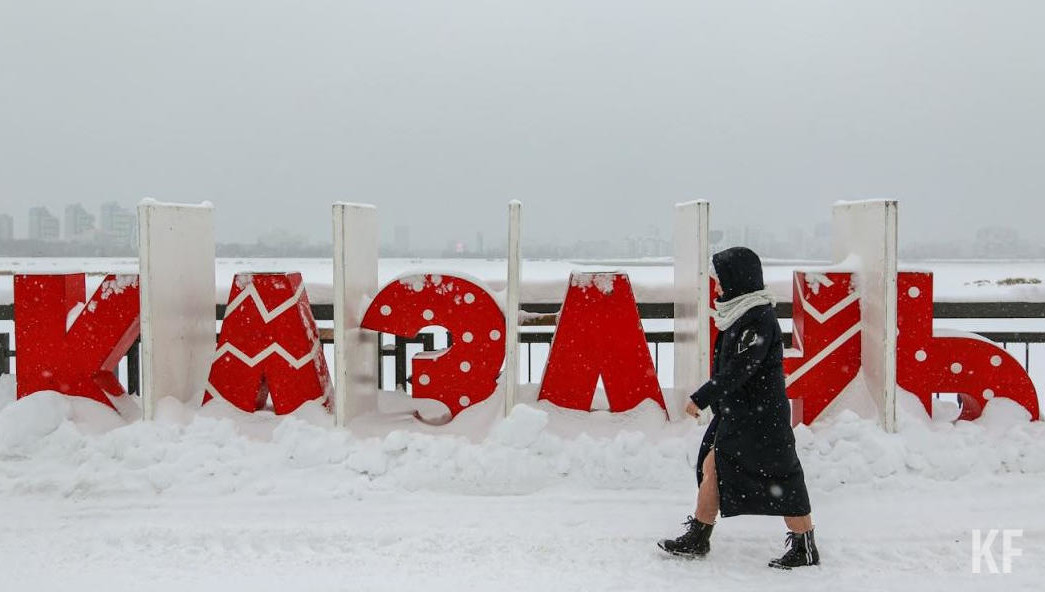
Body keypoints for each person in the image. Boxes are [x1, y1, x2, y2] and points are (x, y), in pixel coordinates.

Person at [658, 246, 819, 570]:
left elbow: (741, 368)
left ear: (737, 280)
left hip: (762, 419)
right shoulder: (740, 315)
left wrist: (702, 396)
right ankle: (699, 537)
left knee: (783, 477)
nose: (716, 287)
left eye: (720, 280)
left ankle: (805, 547)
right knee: (713, 468)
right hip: (740, 414)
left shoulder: (758, 318)